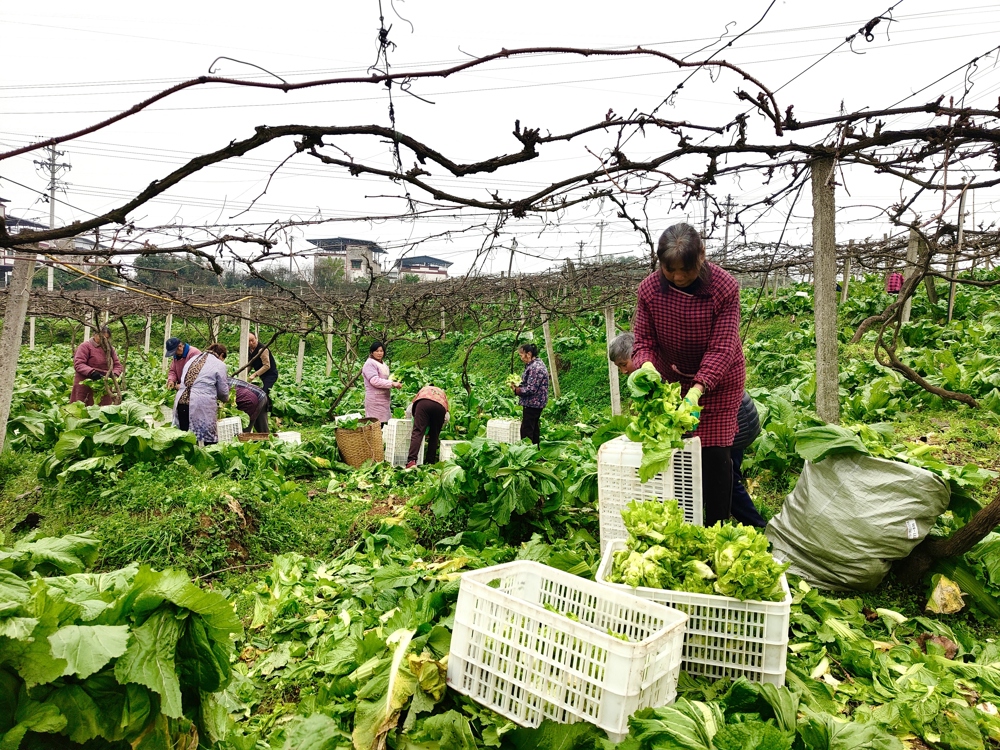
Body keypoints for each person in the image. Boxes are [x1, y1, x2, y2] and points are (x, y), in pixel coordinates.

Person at [632, 222, 746, 526]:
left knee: (715, 455)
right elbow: (643, 340)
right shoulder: (649, 290)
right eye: (670, 271)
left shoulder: (724, 287)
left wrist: (697, 390)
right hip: (673, 379)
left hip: (720, 382)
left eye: (686, 269)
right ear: (660, 264)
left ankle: (718, 526)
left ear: (702, 257)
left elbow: (722, 347)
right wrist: (646, 366)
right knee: (681, 453)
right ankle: (686, 522)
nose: (679, 277)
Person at [610, 331, 765, 527]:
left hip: (736, 420)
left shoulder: (660, 367)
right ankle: (725, 523)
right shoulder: (649, 375)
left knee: (725, 480)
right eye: (619, 367)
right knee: (720, 479)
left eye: (624, 364)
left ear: (636, 354)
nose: (624, 371)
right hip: (726, 419)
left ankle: (759, 526)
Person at [173, 343, 230, 445]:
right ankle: (209, 459)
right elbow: (223, 392)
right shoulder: (219, 364)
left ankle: (186, 460)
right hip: (200, 404)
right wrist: (226, 399)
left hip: (181, 401)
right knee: (209, 440)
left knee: (186, 439)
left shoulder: (192, 359)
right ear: (221, 355)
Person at [71, 326, 124, 406]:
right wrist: (92, 372)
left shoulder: (109, 349)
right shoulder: (85, 346)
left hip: (103, 384)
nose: (104, 340)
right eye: (101, 337)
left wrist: (114, 374)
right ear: (94, 335)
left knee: (103, 410)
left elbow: (117, 365)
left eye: (106, 338)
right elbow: (78, 363)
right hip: (86, 383)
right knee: (82, 408)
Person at [510, 343, 549, 445]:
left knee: (526, 430)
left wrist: (517, 390)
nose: (521, 357)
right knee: (534, 428)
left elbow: (531, 389)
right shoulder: (534, 365)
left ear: (529, 354)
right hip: (535, 403)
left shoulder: (535, 368)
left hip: (533, 403)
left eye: (521, 354)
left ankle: (526, 452)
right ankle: (535, 451)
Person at [404, 384, 449, 468]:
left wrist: (412, 422)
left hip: (423, 403)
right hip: (440, 406)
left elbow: (409, 410)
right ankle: (430, 462)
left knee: (417, 432)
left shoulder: (424, 391)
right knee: (434, 436)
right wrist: (436, 429)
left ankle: (411, 461)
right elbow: (446, 418)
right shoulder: (441, 393)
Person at [362, 341, 402, 424]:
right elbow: (374, 381)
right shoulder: (369, 364)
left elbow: (385, 378)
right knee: (375, 424)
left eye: (381, 351)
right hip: (374, 399)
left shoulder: (383, 364)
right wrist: (391, 383)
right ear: (372, 352)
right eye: (377, 351)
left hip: (384, 399)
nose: (379, 353)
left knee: (384, 424)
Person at [247, 332, 279, 400]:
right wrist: (244, 373)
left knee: (264, 393)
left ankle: (267, 408)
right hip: (263, 375)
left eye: (252, 340)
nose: (251, 343)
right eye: (249, 341)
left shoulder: (262, 350)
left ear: (256, 338)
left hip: (271, 375)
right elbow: (250, 364)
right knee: (263, 392)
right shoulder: (249, 350)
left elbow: (267, 366)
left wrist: (254, 375)